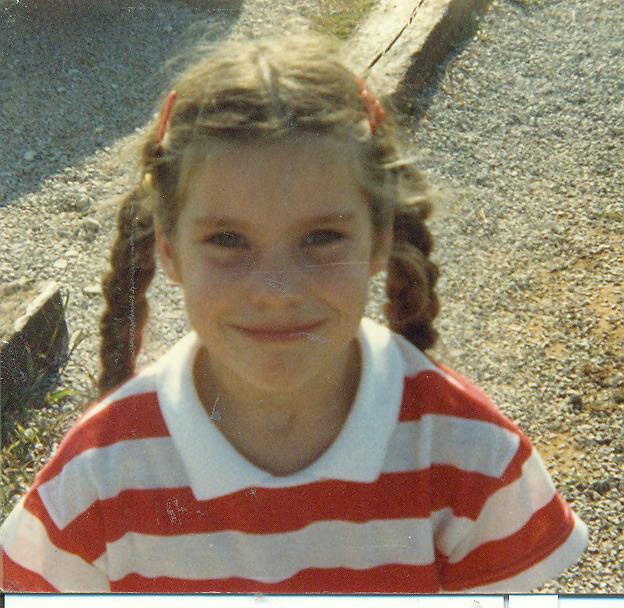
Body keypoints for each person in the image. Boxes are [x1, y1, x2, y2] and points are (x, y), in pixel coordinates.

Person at [0, 33, 587, 594]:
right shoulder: (93, 481)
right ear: (169, 250)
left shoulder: (469, 454)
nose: (276, 291)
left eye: (321, 237)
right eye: (228, 240)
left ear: (380, 241)